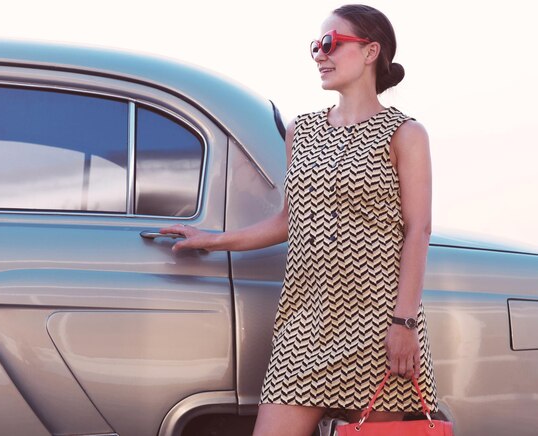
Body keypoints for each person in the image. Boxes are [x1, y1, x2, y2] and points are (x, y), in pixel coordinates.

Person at [159, 4, 437, 436]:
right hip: (304, 323)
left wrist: (404, 324)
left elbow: (418, 230)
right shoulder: (301, 130)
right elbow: (290, 220)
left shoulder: (405, 133)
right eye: (315, 47)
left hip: (379, 323)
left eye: (330, 43)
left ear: (370, 52)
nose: (319, 55)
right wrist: (213, 240)